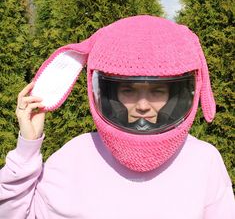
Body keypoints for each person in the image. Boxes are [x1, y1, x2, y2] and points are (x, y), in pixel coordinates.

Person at [0, 15, 234, 219]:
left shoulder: (204, 161)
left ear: (177, 94)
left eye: (158, 91)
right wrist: (26, 150)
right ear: (109, 92)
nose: (143, 105)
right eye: (128, 91)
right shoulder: (74, 156)